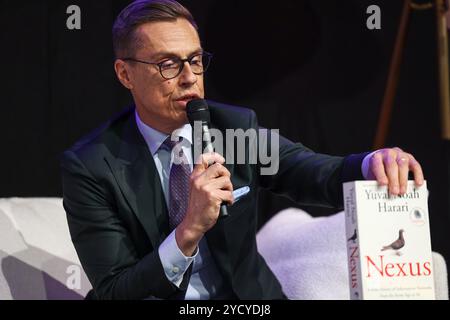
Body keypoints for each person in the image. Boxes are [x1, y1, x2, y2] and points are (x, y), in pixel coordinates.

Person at [60, 0, 424, 300]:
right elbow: (113, 292)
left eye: (196, 60)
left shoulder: (233, 129)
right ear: (125, 75)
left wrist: (372, 163)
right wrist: (188, 231)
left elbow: (312, 172)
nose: (189, 77)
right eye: (168, 64)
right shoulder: (93, 166)